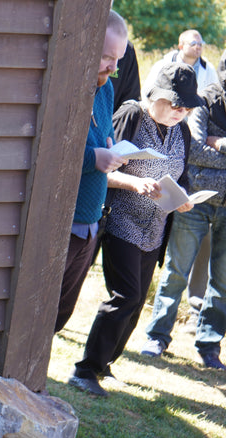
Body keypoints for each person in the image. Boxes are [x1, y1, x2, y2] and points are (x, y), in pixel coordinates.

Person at [69, 62, 202, 396]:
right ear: (155, 95)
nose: (181, 112)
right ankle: (85, 370)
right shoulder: (132, 115)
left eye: (186, 107)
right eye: (175, 104)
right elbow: (103, 167)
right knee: (125, 296)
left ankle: (105, 364)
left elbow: (181, 177)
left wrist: (184, 198)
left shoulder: (182, 131)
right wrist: (134, 183)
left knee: (137, 302)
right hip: (120, 221)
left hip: (154, 231)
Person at [140, 52, 226, 370]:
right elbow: (196, 150)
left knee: (223, 280)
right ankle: (157, 336)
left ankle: (209, 345)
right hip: (194, 202)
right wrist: (215, 145)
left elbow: (208, 148)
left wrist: (219, 142)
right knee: (176, 271)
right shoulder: (204, 102)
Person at [54, 10, 129, 333]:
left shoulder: (107, 88)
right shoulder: (66, 86)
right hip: (63, 222)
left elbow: (103, 137)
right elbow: (53, 150)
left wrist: (111, 152)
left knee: (61, 315)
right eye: (106, 57)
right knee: (38, 313)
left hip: (90, 222)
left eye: (118, 59)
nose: (113, 67)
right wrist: (93, 158)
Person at [143, 30, 219, 99]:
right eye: (193, 44)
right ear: (181, 46)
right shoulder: (163, 65)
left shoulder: (209, 69)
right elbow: (147, 91)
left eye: (200, 44)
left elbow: (215, 95)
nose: (198, 47)